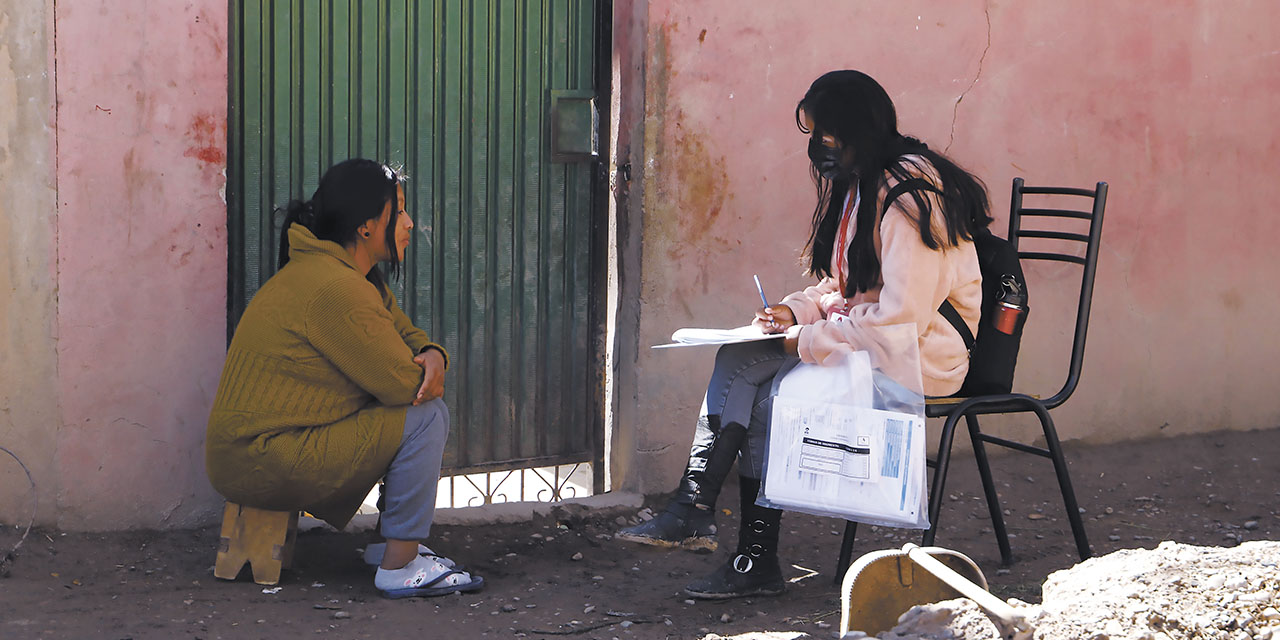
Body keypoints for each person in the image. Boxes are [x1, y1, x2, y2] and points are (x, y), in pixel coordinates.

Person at [616, 70, 990, 599]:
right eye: (813, 136)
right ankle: (699, 512)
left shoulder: (909, 197)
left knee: (768, 395)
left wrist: (808, 341)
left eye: (829, 137)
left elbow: (899, 321)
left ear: (860, 130)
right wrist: (795, 313)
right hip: (877, 339)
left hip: (924, 354)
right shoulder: (868, 184)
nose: (818, 150)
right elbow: (847, 286)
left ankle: (738, 546)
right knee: (739, 358)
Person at [206, 158, 483, 598]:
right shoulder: (336, 288)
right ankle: (399, 564)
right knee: (426, 416)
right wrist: (427, 370)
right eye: (400, 211)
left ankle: (389, 545)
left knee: (402, 405)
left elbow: (404, 334)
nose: (410, 223)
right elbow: (406, 386)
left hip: (253, 452)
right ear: (367, 226)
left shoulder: (352, 277)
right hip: (260, 457)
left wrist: (432, 353)